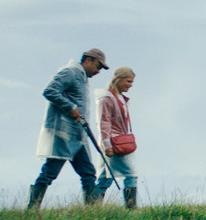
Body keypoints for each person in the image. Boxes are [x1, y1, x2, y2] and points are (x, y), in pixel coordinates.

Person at [27, 49, 109, 210]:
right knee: (49, 173)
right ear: (88, 60)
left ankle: (93, 213)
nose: (99, 71)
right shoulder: (70, 72)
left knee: (88, 173)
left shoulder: (83, 78)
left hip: (78, 136)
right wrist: (70, 107)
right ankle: (32, 209)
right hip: (64, 135)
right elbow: (49, 90)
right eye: (98, 66)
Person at [95, 66, 139, 209]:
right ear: (118, 79)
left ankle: (93, 206)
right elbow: (104, 122)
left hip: (117, 142)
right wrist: (107, 145)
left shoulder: (119, 98)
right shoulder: (108, 98)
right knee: (131, 174)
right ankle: (131, 208)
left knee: (106, 176)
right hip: (115, 144)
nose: (130, 85)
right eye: (128, 81)